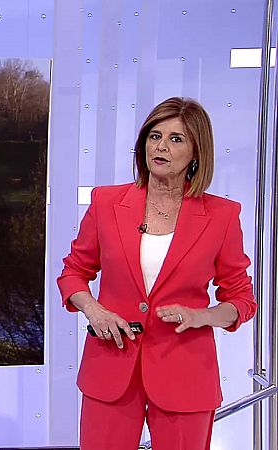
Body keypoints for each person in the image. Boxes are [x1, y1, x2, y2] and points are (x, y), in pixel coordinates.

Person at [57, 97, 257, 450]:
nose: (161, 146)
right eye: (154, 136)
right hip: (112, 365)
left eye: (176, 139)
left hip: (185, 373)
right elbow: (73, 272)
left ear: (197, 152)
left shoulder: (223, 216)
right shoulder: (107, 203)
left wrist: (201, 316)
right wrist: (95, 310)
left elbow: (241, 300)